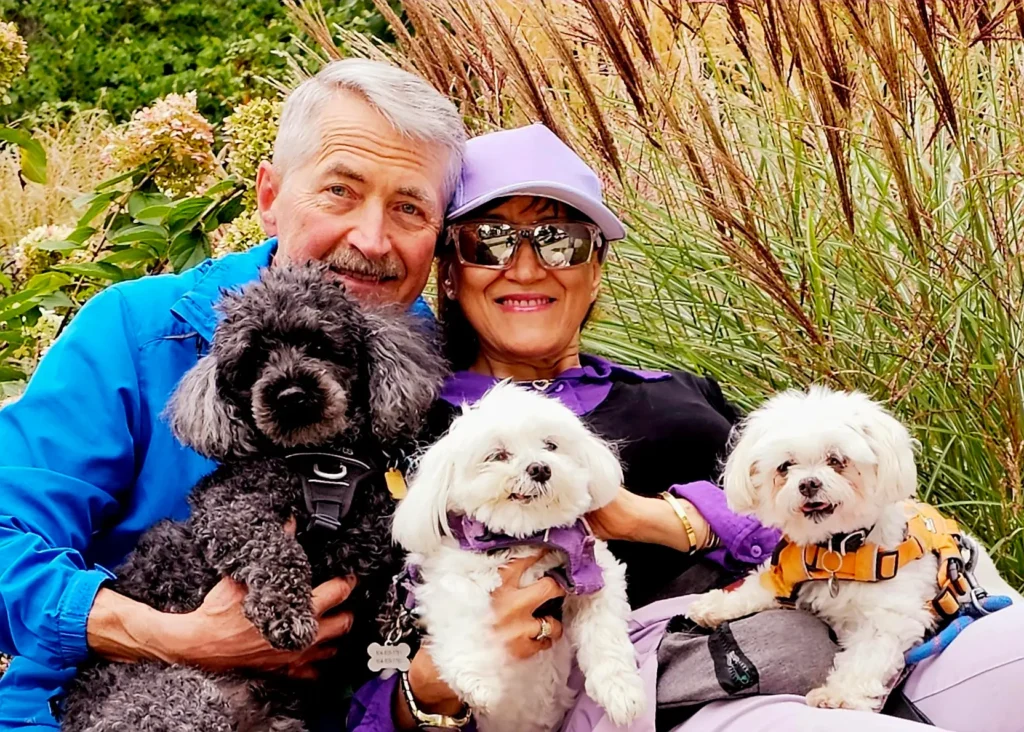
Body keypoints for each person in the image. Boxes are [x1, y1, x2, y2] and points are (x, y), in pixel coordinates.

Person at [348, 124, 1024, 732]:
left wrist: (654, 518)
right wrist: (427, 695)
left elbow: (789, 510)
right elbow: (352, 674)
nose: (527, 265)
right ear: (451, 270)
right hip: (677, 694)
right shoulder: (414, 425)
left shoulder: (678, 392)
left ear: (595, 270)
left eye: (560, 239)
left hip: (876, 625)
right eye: (489, 240)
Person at [0, 59, 466, 730]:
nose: (370, 239)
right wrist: (169, 636)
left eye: (409, 207)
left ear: (440, 234)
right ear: (269, 195)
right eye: (340, 190)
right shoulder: (139, 332)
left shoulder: (454, 387)